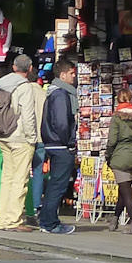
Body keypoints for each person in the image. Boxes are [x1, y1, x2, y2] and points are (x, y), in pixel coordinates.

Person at [0, 55, 45, 232]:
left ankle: (3, 219)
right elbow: (28, 115)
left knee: (7, 178)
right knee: (20, 180)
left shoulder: (1, 83)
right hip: (21, 137)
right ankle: (14, 220)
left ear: (14, 67)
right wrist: (32, 138)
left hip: (3, 135)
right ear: (29, 69)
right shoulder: (25, 87)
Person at [38, 56, 81, 235]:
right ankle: (49, 223)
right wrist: (69, 142)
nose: (74, 77)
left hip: (53, 143)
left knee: (55, 184)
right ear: (63, 75)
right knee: (58, 185)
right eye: (71, 74)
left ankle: (48, 220)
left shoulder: (54, 92)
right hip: (60, 145)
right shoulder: (61, 94)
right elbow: (62, 122)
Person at [104, 99, 132, 234]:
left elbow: (112, 140)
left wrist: (108, 156)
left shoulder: (117, 118)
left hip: (120, 156)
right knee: (123, 191)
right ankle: (115, 219)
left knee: (126, 192)